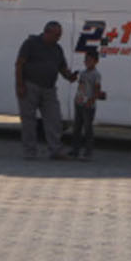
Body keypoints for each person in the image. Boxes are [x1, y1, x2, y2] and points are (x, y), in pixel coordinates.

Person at [15, 21, 78, 160]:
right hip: (30, 85)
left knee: (54, 119)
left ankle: (56, 150)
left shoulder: (57, 48)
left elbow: (62, 67)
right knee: (29, 121)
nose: (58, 38)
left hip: (49, 88)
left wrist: (70, 76)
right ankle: (29, 152)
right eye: (56, 35)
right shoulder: (31, 43)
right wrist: (20, 85)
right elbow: (20, 64)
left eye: (60, 35)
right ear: (47, 32)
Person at [70, 50, 106, 160]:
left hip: (88, 105)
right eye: (86, 60)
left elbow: (97, 89)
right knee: (76, 128)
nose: (87, 62)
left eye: (90, 60)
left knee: (88, 128)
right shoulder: (83, 73)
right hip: (79, 102)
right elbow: (77, 83)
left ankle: (88, 152)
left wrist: (92, 100)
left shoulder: (96, 75)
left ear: (96, 62)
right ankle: (75, 150)